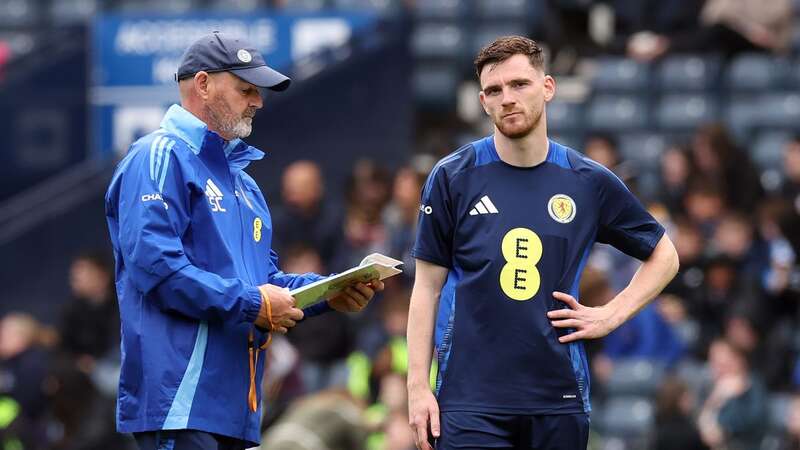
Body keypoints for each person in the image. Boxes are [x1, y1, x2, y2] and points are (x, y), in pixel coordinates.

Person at [104, 32, 383, 450]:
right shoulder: (158, 155)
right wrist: (255, 304)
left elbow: (262, 280)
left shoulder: (245, 185)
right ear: (202, 84)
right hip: (181, 399)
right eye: (246, 89)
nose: (258, 101)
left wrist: (330, 292)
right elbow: (156, 270)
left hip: (238, 405)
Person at [406, 36, 679, 450]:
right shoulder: (452, 177)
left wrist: (610, 314)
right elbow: (426, 288)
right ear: (482, 101)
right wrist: (416, 387)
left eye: (519, 85)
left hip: (558, 399)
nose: (507, 99)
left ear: (547, 87)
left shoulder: (586, 181)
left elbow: (665, 254)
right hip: (468, 402)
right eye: (494, 91)